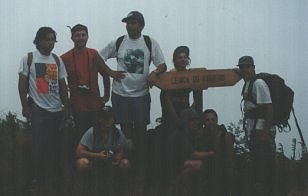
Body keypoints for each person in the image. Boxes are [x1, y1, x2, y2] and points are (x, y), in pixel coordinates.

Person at [99, 10, 167, 192]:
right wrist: (111, 72)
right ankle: (124, 170)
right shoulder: (119, 42)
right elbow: (98, 58)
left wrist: (154, 73)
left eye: (134, 23)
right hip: (120, 94)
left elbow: (163, 65)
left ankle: (140, 174)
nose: (130, 26)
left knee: (141, 134)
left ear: (141, 25)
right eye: (128, 23)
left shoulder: (149, 42)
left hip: (141, 95)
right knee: (124, 132)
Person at [18, 27, 69, 195]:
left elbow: (62, 85)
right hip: (39, 110)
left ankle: (53, 181)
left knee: (55, 148)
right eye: (46, 39)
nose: (50, 42)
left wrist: (66, 107)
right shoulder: (29, 58)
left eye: (52, 39)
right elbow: (22, 83)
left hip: (56, 110)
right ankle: (35, 180)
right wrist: (25, 105)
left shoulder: (57, 60)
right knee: (37, 146)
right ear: (38, 40)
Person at [61, 24, 110, 146]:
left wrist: (106, 96)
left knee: (97, 140)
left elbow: (105, 74)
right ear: (72, 38)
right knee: (79, 141)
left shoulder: (94, 54)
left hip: (95, 106)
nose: (81, 38)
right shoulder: (64, 58)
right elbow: (60, 82)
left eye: (83, 35)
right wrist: (66, 103)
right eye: (77, 35)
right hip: (76, 108)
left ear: (88, 37)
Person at [237, 56, 276, 196]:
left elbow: (269, 108)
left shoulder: (259, 83)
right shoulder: (248, 82)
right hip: (253, 130)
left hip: (261, 130)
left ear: (253, 67)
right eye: (241, 67)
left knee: (265, 167)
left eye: (247, 66)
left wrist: (266, 133)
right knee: (258, 167)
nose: (244, 69)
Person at [76, 105, 131, 196]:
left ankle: (122, 189)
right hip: (94, 163)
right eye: (105, 118)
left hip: (111, 164)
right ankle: (85, 188)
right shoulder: (91, 132)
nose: (107, 121)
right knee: (82, 163)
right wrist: (98, 156)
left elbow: (122, 148)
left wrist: (119, 156)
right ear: (100, 119)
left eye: (109, 118)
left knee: (125, 163)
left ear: (113, 119)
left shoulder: (117, 133)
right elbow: (79, 151)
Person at [172, 107, 214, 196]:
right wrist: (212, 153)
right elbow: (194, 155)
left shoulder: (191, 134)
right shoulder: (179, 135)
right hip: (173, 169)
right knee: (198, 164)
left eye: (196, 119)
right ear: (185, 122)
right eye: (191, 120)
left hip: (182, 164)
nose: (195, 122)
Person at [160, 46, 203, 126]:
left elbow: (197, 98)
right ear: (175, 60)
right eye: (180, 57)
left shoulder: (191, 76)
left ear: (188, 60)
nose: (183, 59)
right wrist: (176, 119)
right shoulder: (169, 76)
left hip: (186, 108)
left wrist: (190, 112)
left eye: (185, 57)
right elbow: (167, 99)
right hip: (171, 111)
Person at [201, 109, 235, 196]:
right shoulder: (201, 136)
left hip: (223, 172)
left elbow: (230, 158)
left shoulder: (225, 136)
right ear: (204, 122)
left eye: (213, 119)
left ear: (216, 120)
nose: (210, 122)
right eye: (207, 120)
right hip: (208, 172)